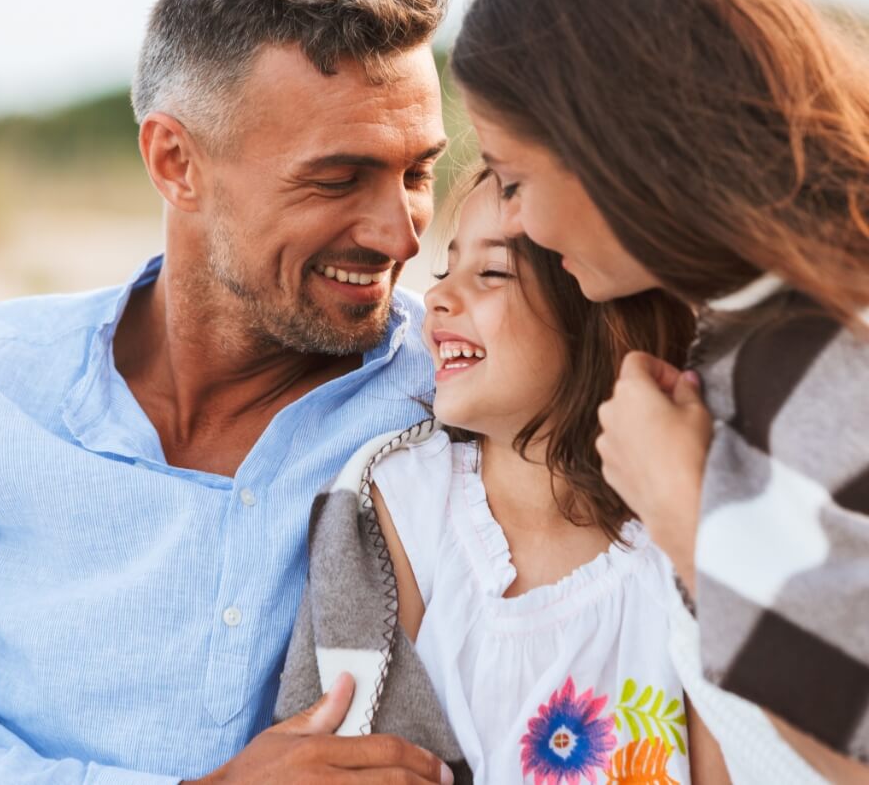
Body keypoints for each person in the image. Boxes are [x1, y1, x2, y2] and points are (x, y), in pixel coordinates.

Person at [0, 0, 459, 783]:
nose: (400, 237)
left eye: (417, 174)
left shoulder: (461, 401)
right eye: (338, 179)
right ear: (176, 162)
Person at [450, 0, 869, 782]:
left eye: (512, 180)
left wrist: (681, 508)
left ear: (609, 147)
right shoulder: (743, 336)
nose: (514, 220)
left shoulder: (830, 350)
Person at [276, 169, 732, 784]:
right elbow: (345, 753)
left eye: (492, 272)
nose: (436, 297)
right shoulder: (407, 502)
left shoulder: (679, 540)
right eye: (446, 269)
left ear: (599, 307)